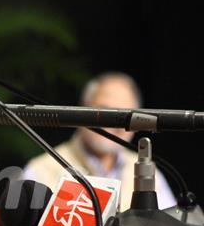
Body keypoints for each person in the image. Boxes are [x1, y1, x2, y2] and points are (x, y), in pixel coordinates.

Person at [22, 72, 177, 211]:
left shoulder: (148, 171)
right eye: (106, 112)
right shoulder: (40, 170)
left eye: (128, 116)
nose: (116, 125)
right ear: (82, 111)